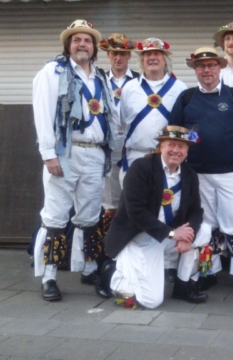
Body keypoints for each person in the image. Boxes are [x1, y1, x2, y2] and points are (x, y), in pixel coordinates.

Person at [32, 19, 114, 301]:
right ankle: (49, 277)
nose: (82, 44)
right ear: (68, 45)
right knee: (55, 217)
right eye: (76, 39)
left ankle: (89, 267)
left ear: (94, 48)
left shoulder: (99, 77)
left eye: (88, 40)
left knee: (90, 216)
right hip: (65, 154)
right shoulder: (53, 72)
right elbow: (42, 113)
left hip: (94, 154)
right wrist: (48, 154)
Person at [169, 47, 233, 294]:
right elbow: (174, 134)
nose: (206, 70)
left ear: (219, 68)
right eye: (201, 66)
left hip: (232, 173)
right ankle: (210, 271)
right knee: (206, 224)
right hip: (197, 174)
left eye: (211, 65)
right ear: (195, 70)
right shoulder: (186, 98)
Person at [103, 126, 210, 309]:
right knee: (151, 302)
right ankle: (114, 272)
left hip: (165, 237)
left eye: (182, 147)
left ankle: (182, 285)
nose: (176, 150)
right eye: (171, 144)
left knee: (204, 231)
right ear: (161, 146)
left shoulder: (189, 174)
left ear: (187, 151)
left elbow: (196, 211)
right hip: (138, 238)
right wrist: (171, 234)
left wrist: (187, 235)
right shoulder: (141, 168)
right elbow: (135, 211)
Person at [119, 38, 187, 183]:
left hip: (168, 158)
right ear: (141, 60)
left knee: (166, 202)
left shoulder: (180, 88)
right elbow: (123, 121)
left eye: (157, 53)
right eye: (147, 54)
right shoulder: (130, 88)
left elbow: (185, 124)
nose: (152, 58)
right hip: (136, 156)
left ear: (165, 60)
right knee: (135, 203)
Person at [97, 33, 139, 238]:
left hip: (134, 145)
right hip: (109, 145)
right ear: (108, 55)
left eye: (122, 53)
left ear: (129, 55)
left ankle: (134, 240)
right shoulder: (98, 80)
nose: (118, 58)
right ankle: (110, 247)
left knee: (135, 195)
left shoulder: (141, 80)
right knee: (110, 199)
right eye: (114, 53)